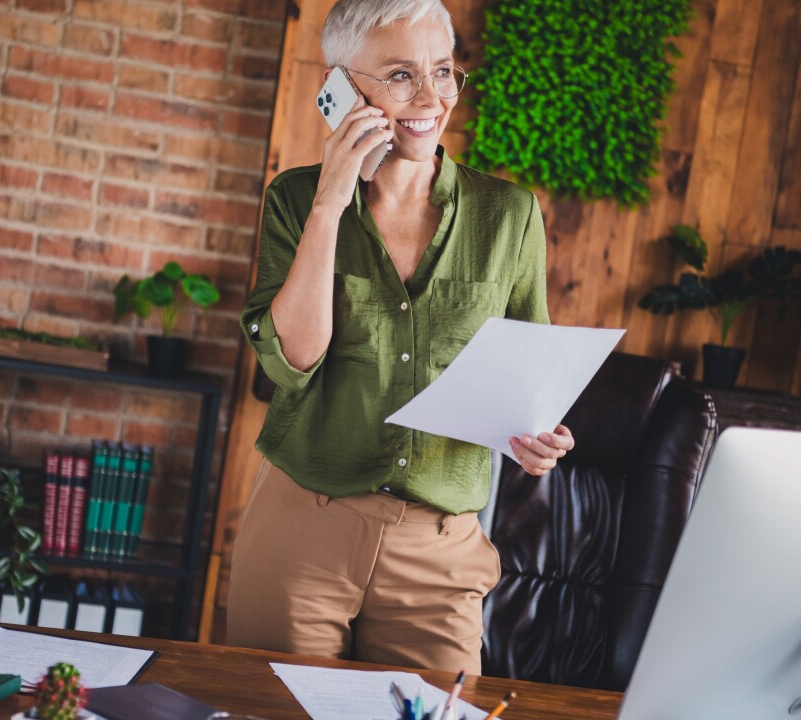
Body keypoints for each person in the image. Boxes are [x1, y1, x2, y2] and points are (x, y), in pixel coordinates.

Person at [228, 0, 574, 674]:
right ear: (341, 89)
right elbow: (291, 362)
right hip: (305, 527)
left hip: (441, 551)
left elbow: (532, 375)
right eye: (400, 75)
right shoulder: (295, 200)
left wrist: (540, 434)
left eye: (442, 72)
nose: (430, 97)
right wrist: (331, 201)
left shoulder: (508, 216)